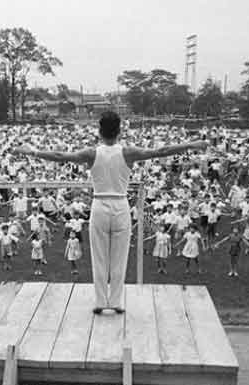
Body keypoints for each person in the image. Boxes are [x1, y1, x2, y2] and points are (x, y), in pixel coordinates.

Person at [13, 110, 207, 313]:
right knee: (119, 256)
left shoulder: (92, 153)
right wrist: (190, 145)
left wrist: (32, 151)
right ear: (119, 131)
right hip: (120, 205)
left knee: (99, 257)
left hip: (100, 205)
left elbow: (60, 156)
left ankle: (100, 301)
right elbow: (161, 151)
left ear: (99, 131)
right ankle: (115, 301)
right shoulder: (128, 152)